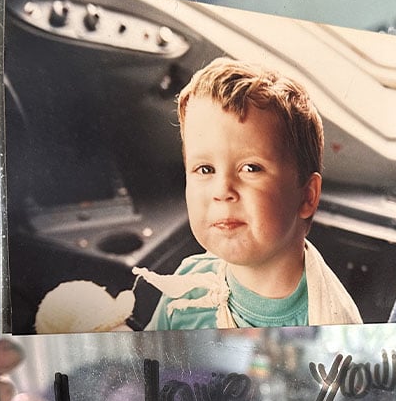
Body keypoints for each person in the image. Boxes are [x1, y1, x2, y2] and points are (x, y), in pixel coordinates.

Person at [135, 57, 362, 329]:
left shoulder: (332, 324)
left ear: (307, 196)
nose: (222, 191)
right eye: (205, 169)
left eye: (250, 168)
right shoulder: (188, 286)